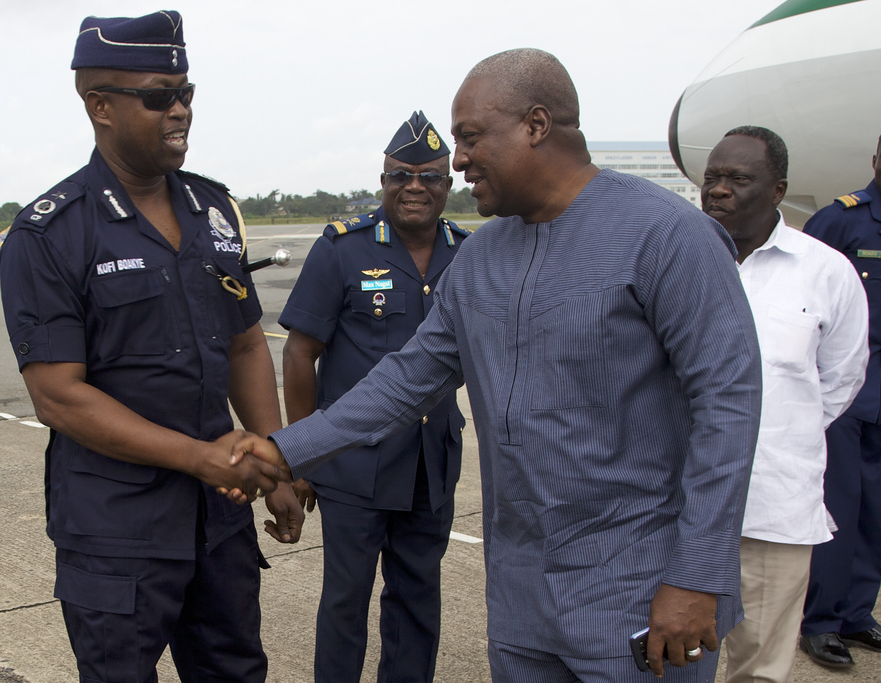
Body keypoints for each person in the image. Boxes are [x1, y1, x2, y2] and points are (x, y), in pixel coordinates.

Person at [233, 48, 762, 682]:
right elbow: (405, 380)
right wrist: (284, 450)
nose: (457, 160)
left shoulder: (667, 235)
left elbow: (728, 404)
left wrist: (697, 575)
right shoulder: (482, 259)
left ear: (535, 125)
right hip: (521, 602)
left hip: (639, 595)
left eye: (470, 137)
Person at [0, 11, 301, 683]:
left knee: (236, 671)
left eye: (186, 92)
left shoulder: (213, 211)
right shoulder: (51, 234)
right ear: (99, 106)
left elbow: (246, 345)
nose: (180, 110)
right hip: (117, 532)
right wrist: (199, 457)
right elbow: (59, 397)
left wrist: (276, 461)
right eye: (159, 96)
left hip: (219, 520)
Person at [280, 111, 467, 682]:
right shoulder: (343, 249)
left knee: (417, 602)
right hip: (353, 467)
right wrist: (304, 457)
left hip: (430, 466)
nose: (414, 187)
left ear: (447, 184)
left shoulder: (468, 252)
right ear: (383, 181)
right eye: (400, 175)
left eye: (429, 177)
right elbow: (299, 353)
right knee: (345, 604)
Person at [700, 127, 868, 683]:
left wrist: (778, 430)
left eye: (738, 178)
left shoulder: (826, 272)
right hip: (676, 507)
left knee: (760, 671)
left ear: (778, 190)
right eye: (712, 177)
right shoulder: (675, 259)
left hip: (773, 509)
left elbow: (840, 380)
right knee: (663, 661)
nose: (719, 189)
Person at [798, 135, 881, 669]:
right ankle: (821, 621)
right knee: (837, 507)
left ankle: (856, 613)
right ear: (875, 160)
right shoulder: (841, 220)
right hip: (846, 392)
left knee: (875, 511)